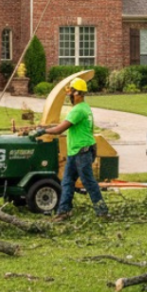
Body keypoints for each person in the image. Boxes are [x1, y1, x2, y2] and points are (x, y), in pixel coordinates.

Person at [35, 77, 109, 220]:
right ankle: (63, 212)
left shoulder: (78, 111)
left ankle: (102, 212)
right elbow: (61, 126)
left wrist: (43, 131)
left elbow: (59, 130)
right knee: (67, 182)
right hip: (77, 151)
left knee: (88, 182)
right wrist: (44, 128)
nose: (69, 95)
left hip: (82, 151)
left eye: (70, 92)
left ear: (77, 94)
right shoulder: (85, 108)